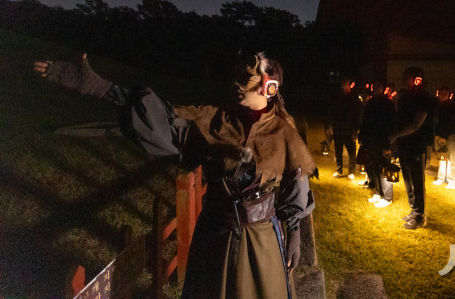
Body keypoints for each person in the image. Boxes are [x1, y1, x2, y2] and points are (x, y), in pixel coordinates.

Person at [34, 52, 316, 299]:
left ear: (269, 87)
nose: (237, 82)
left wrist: (294, 233)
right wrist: (98, 87)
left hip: (260, 243)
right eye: (238, 73)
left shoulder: (284, 134)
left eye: (248, 77)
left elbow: (296, 186)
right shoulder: (214, 121)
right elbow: (161, 121)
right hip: (214, 236)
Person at [390, 67, 434, 229]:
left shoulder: (423, 97)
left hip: (416, 144)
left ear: (417, 79)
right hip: (404, 144)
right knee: (408, 179)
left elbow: (416, 124)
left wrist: (396, 134)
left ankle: (419, 215)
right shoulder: (405, 96)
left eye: (407, 77)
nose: (404, 80)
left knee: (417, 180)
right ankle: (413, 209)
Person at [358, 80, 396, 208]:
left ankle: (387, 197)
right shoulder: (370, 102)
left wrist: (389, 143)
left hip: (383, 140)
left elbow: (392, 125)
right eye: (374, 86)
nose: (375, 88)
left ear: (383, 88)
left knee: (385, 168)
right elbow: (365, 121)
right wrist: (362, 136)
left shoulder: (389, 104)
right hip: (371, 140)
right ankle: (378, 192)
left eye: (378, 86)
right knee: (374, 166)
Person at [325, 76, 362, 180]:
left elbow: (358, 115)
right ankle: (339, 170)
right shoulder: (337, 97)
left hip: (349, 129)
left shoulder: (354, 98)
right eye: (342, 81)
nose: (343, 84)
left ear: (349, 83)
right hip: (338, 129)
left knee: (351, 152)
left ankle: (351, 171)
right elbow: (332, 112)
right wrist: (330, 127)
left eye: (345, 81)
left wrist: (355, 130)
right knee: (338, 151)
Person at [432, 86, 455, 189]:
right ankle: (441, 178)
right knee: (441, 158)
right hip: (438, 136)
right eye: (441, 93)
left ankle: (452, 181)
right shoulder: (436, 105)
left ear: (449, 95)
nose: (443, 95)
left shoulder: (452, 106)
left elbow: (453, 123)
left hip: (448, 136)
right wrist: (435, 134)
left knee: (451, 159)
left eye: (445, 93)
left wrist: (444, 136)